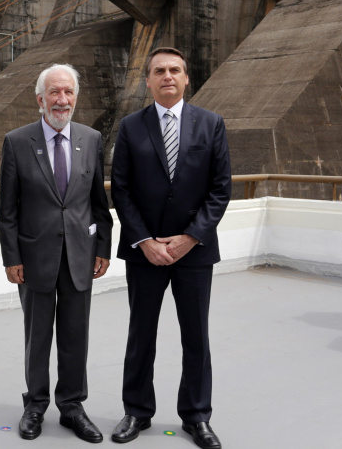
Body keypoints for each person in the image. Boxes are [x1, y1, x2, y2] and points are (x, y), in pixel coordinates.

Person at [109, 47, 231, 449]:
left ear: (186, 77)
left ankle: (197, 416)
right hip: (144, 252)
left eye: (175, 70)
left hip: (194, 252)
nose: (167, 76)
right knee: (141, 334)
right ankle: (136, 411)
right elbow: (121, 190)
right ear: (148, 80)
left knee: (196, 336)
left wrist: (190, 237)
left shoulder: (211, 124)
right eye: (159, 70)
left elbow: (220, 189)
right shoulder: (131, 127)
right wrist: (144, 241)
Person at [0, 64, 113, 443]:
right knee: (37, 337)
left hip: (81, 255)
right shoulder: (17, 142)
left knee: (76, 335)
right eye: (54, 92)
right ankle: (35, 405)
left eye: (68, 92)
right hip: (34, 258)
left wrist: (103, 247)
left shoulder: (91, 139)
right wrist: (11, 258)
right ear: (40, 99)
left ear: (75, 97)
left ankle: (72, 406)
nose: (62, 100)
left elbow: (98, 202)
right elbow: (8, 210)